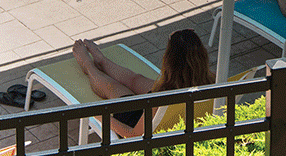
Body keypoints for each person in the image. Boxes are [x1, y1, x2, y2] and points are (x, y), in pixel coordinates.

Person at [71, 29, 215, 138]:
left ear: (170, 61)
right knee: (136, 80)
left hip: (143, 127)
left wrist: (102, 116)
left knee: (114, 88)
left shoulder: (162, 97)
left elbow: (134, 135)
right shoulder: (214, 80)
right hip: (179, 114)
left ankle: (88, 65)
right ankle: (102, 61)